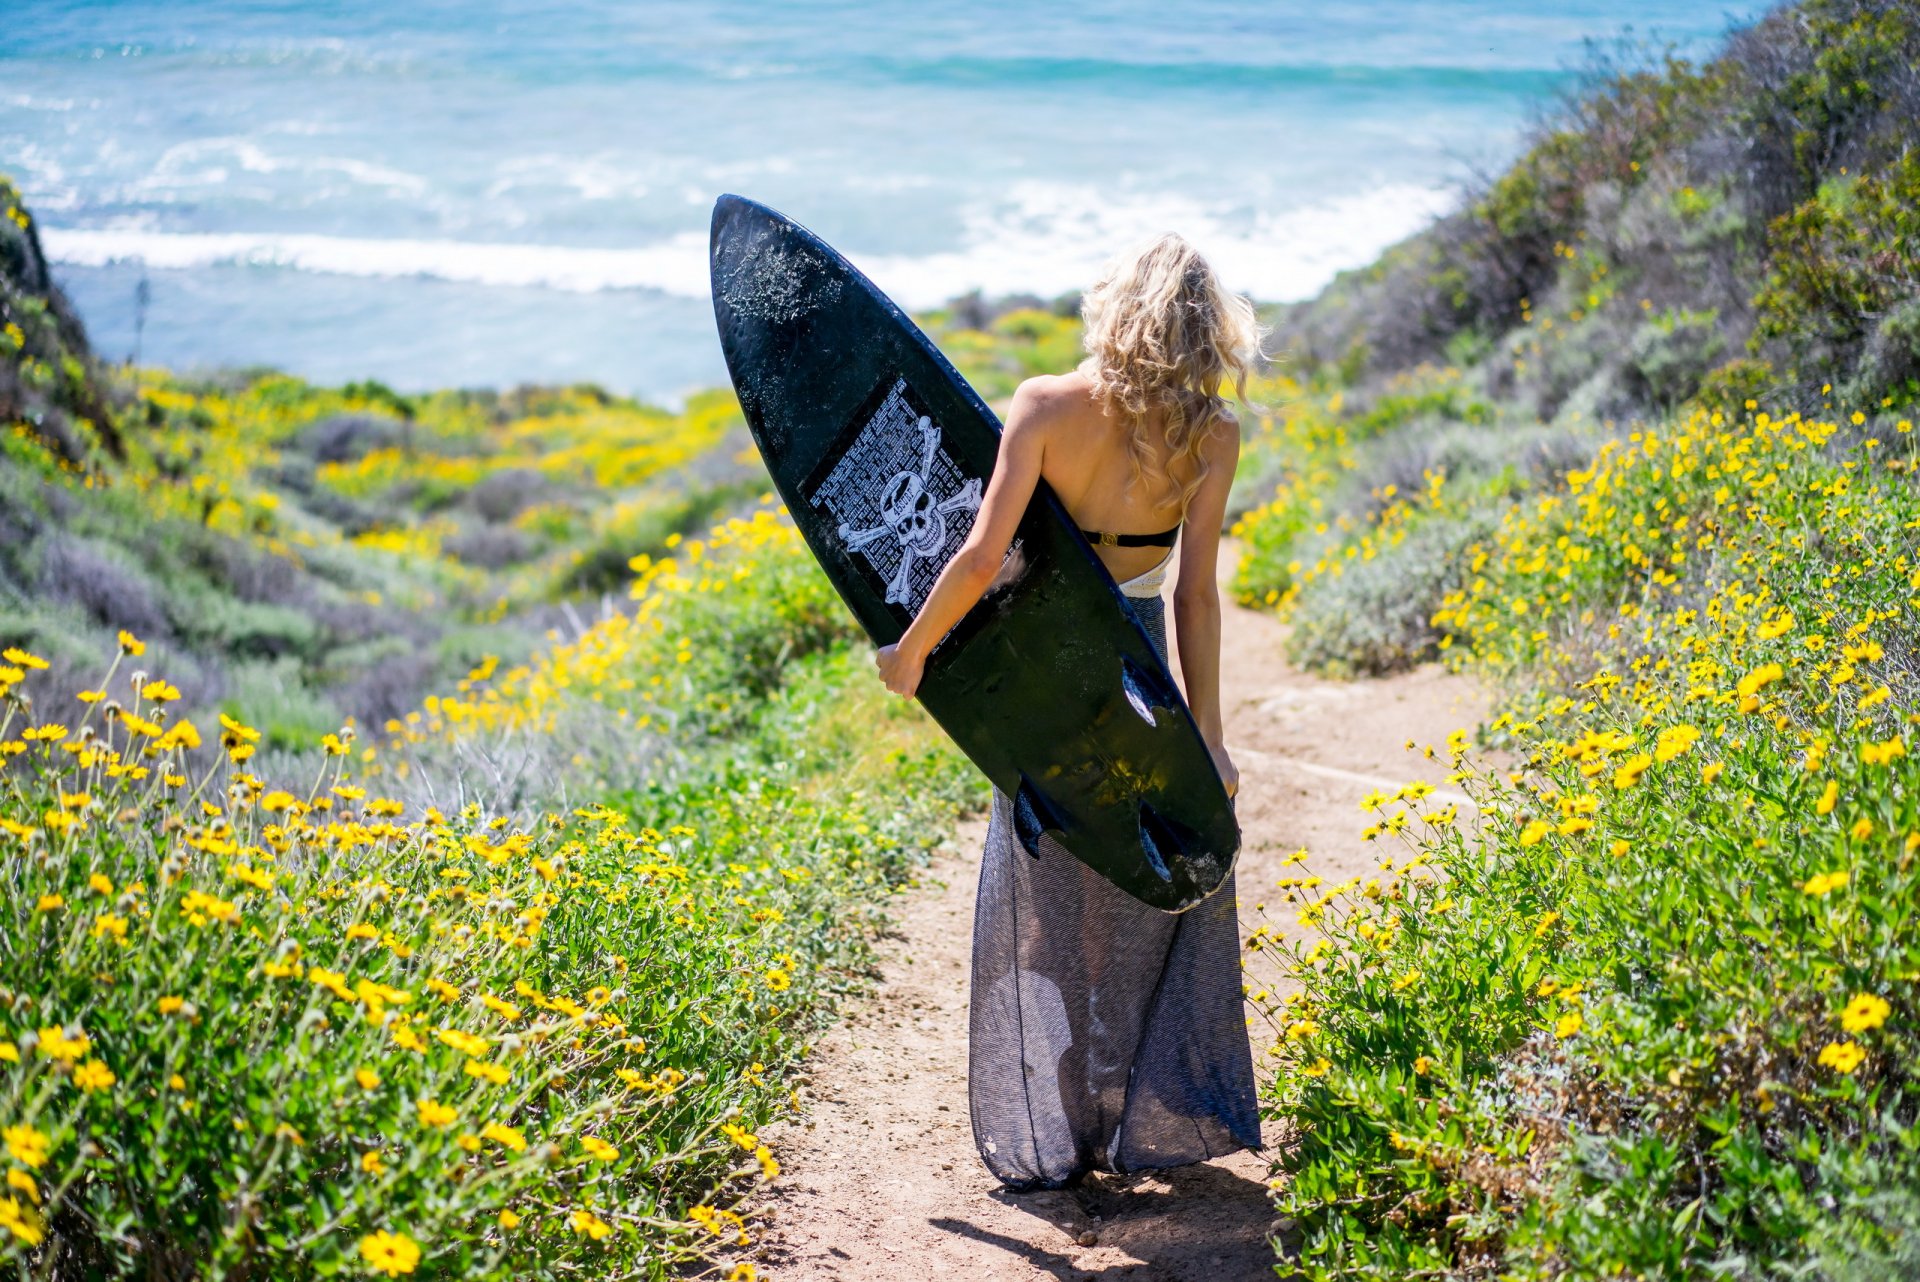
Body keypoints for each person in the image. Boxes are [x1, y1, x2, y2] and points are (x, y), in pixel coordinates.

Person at [872, 234, 1263, 1190]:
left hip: (1046, 673)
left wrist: (912, 652)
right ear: (1210, 331)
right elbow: (1194, 597)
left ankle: (1052, 1118)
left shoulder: (1047, 405)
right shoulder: (1212, 436)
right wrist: (1205, 739)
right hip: (1138, 674)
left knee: (1047, 880)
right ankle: (1130, 1108)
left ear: (1115, 308)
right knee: (1141, 878)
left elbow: (979, 560)